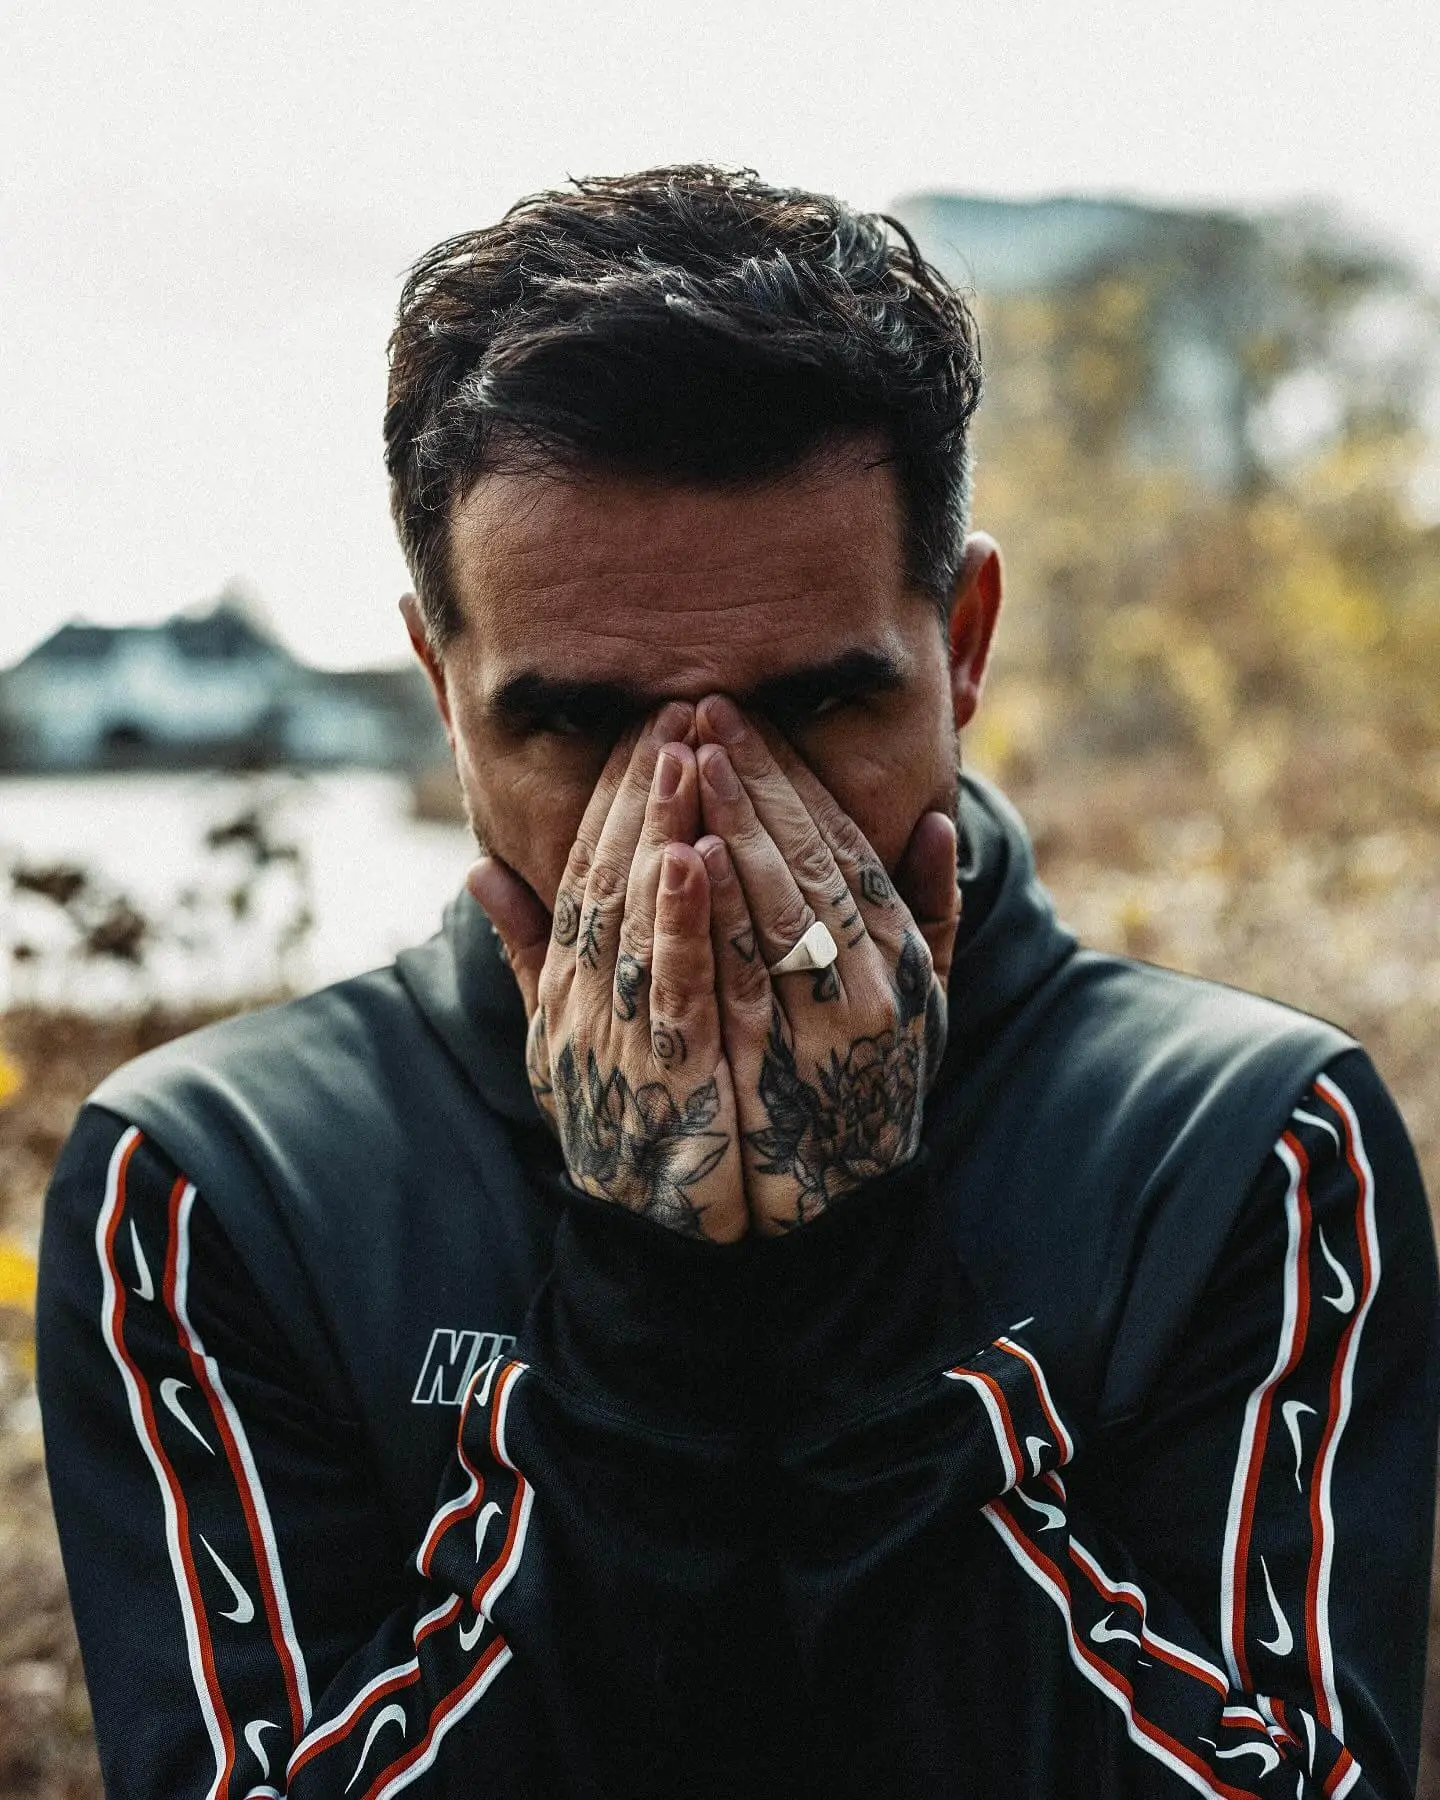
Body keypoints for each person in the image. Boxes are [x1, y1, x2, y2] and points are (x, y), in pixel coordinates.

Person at [36, 165, 1437, 1799]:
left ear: (963, 645)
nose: (699, 826)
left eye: (815, 705)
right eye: (578, 723)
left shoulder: (1249, 1146)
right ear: (442, 686)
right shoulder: (215, 1184)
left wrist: (859, 1285)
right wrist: (646, 1310)